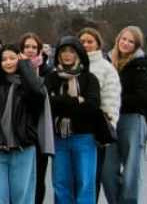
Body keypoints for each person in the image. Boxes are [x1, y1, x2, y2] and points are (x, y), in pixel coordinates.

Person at [0, 44, 46, 204]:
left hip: (23, 149)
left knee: (22, 198)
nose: (8, 62)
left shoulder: (30, 84)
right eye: (4, 59)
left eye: (12, 58)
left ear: (19, 59)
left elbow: (39, 94)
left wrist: (25, 66)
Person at [102, 26, 147, 204]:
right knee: (107, 171)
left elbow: (144, 98)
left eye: (131, 41)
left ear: (136, 45)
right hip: (110, 121)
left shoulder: (140, 67)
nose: (126, 43)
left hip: (132, 119)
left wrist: (116, 100)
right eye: (123, 39)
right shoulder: (107, 62)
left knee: (131, 172)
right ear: (118, 39)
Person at [45, 36, 102, 204]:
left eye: (71, 51)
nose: (67, 55)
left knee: (85, 184)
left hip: (84, 137)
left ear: (79, 54)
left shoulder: (89, 79)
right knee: (61, 184)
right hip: (59, 139)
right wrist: (76, 100)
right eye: (63, 51)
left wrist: (60, 101)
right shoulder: (51, 78)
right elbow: (48, 104)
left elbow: (92, 107)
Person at [76, 27, 121, 204]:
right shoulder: (71, 64)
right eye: (82, 42)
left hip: (94, 132)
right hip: (72, 132)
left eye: (89, 41)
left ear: (98, 44)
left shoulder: (106, 68)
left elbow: (111, 101)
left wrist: (105, 128)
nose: (85, 45)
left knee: (90, 179)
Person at [19, 32, 55, 204]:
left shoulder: (47, 72)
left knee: (39, 177)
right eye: (27, 47)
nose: (31, 50)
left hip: (41, 128)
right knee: (21, 179)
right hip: (20, 128)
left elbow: (41, 96)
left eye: (34, 47)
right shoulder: (14, 67)